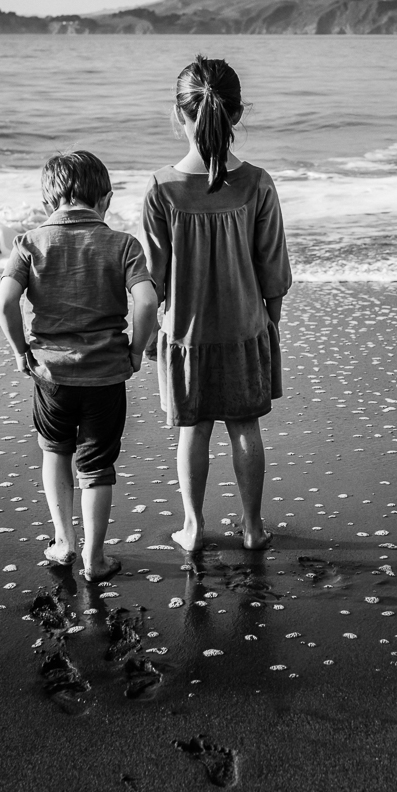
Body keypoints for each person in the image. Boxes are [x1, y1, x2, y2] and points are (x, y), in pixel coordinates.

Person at [142, 56, 292, 552]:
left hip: (187, 335)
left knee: (194, 431)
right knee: (244, 427)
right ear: (238, 113)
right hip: (246, 328)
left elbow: (154, 280)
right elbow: (273, 271)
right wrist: (270, 324)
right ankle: (252, 528)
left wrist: (143, 337)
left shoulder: (161, 188)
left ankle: (193, 528)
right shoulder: (257, 182)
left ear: (178, 114)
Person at [0, 151, 158, 580]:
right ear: (104, 198)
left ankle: (64, 542)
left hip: (51, 374)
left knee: (55, 451)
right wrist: (137, 349)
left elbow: (5, 301)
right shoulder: (123, 244)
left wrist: (19, 349)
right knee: (97, 465)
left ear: (49, 203)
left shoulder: (29, 242)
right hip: (105, 375)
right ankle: (95, 557)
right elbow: (146, 300)